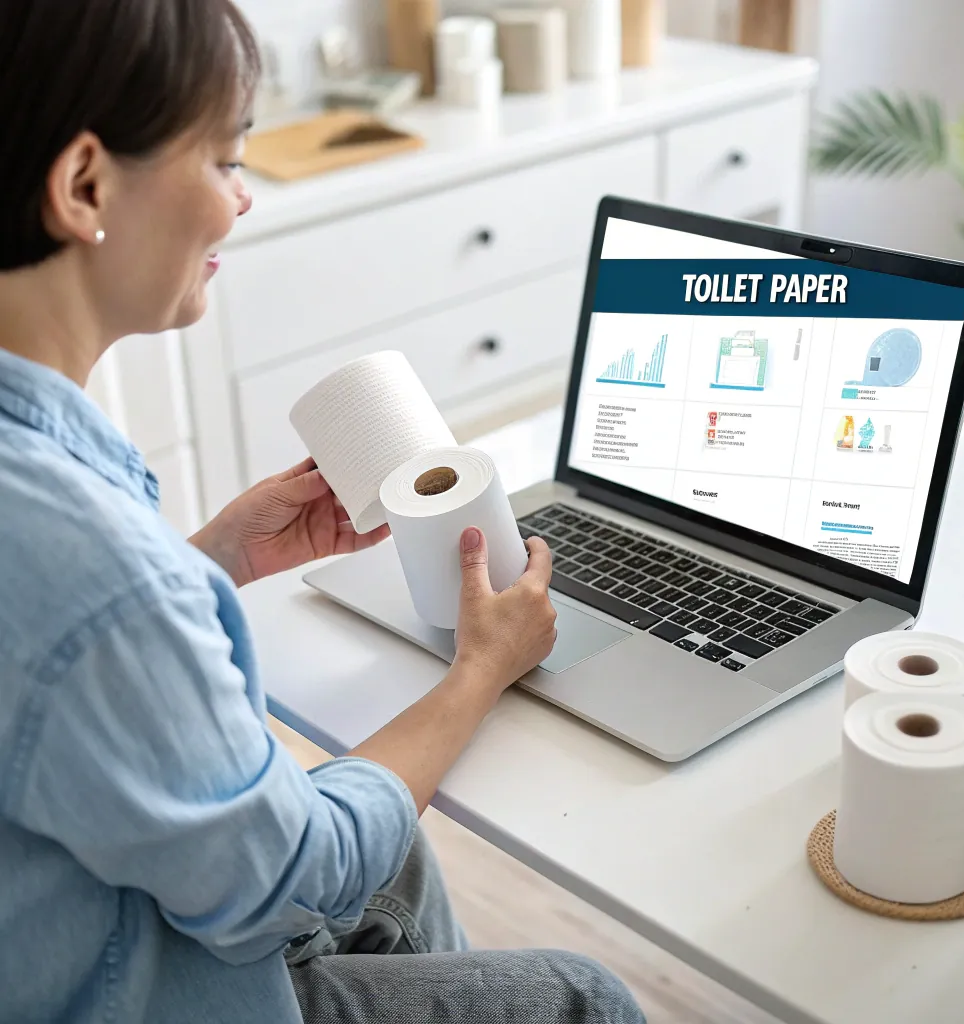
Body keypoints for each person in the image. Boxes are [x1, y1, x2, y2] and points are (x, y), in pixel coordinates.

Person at [0, 2, 647, 1022]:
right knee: (582, 996)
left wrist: (215, 556)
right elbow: (287, 882)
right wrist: (480, 671)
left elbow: (44, 649)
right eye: (224, 161)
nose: (241, 199)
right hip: (134, 991)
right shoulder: (95, 567)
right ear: (85, 186)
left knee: (398, 864)